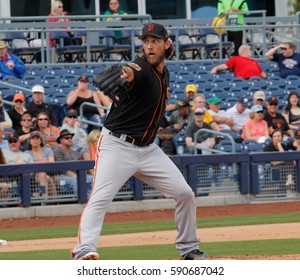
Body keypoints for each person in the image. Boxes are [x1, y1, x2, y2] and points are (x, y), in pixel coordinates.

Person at [71, 23, 208, 260]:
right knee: (100, 197)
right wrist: (122, 73)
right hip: (117, 145)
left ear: (167, 44)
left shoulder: (165, 73)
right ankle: (84, 249)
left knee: (184, 193)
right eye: (146, 41)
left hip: (147, 150)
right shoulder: (140, 67)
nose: (149, 46)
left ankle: (189, 248)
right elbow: (129, 70)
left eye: (155, 41)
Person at [24, 131, 57, 197]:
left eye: (37, 138)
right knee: (43, 176)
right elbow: (28, 169)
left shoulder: (48, 150)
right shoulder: (27, 153)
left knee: (46, 177)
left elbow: (52, 165)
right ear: (29, 141)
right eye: (33, 139)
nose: (35, 140)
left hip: (48, 173)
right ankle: (54, 200)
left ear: (41, 140)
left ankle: (45, 199)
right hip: (34, 176)